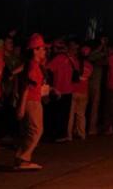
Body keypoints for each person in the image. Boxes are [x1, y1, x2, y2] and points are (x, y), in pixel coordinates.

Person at [13, 34, 48, 170]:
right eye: (43, 49)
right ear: (35, 50)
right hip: (31, 102)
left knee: (30, 131)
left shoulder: (32, 64)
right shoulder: (33, 65)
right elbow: (26, 87)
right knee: (36, 131)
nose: (45, 51)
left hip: (31, 101)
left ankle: (22, 159)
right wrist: (22, 106)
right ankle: (23, 159)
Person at [44, 39, 75, 142]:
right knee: (65, 114)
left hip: (58, 89)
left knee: (57, 114)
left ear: (55, 48)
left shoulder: (57, 59)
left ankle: (57, 135)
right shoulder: (70, 57)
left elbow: (46, 69)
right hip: (69, 89)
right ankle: (63, 134)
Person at [69, 44, 94, 140]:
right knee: (81, 114)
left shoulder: (75, 62)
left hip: (74, 90)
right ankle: (82, 134)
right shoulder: (90, 66)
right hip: (84, 91)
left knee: (71, 114)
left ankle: (69, 134)